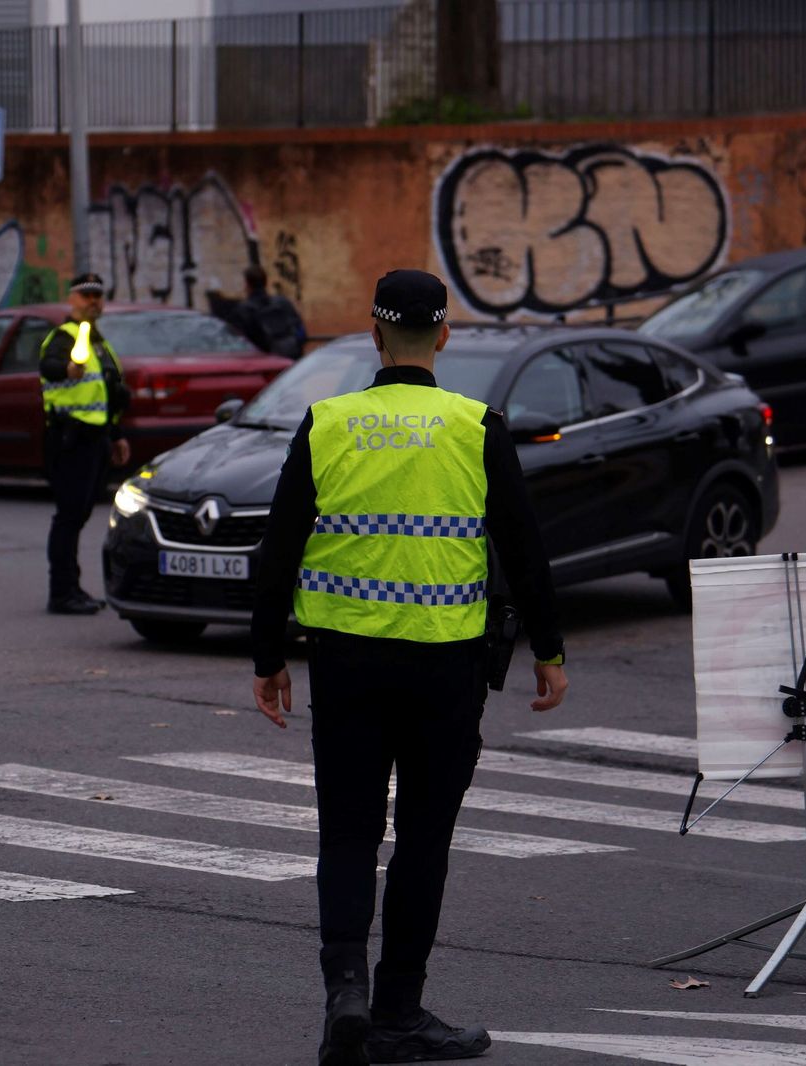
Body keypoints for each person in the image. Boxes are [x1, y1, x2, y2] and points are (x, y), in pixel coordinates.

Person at [249, 269, 569, 1065]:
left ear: (374, 334)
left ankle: (345, 994)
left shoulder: (327, 422)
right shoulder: (474, 425)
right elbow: (526, 553)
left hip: (347, 664)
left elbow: (277, 551)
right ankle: (398, 1009)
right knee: (423, 840)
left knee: (348, 835)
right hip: (444, 669)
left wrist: (265, 658)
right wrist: (551, 652)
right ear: (445, 337)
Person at [38, 271, 131, 615]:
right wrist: (67, 370)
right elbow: (50, 366)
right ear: (72, 300)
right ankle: (61, 592)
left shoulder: (98, 342)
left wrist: (117, 434)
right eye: (86, 295)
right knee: (69, 516)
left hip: (95, 439)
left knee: (79, 515)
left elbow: (111, 393)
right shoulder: (63, 338)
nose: (93, 301)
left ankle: (71, 588)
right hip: (69, 438)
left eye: (98, 295)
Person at [233, 263, 307, 358]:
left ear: (247, 284)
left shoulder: (244, 310)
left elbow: (240, 343)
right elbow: (301, 331)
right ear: (266, 282)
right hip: (293, 361)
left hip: (267, 363)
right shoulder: (283, 302)